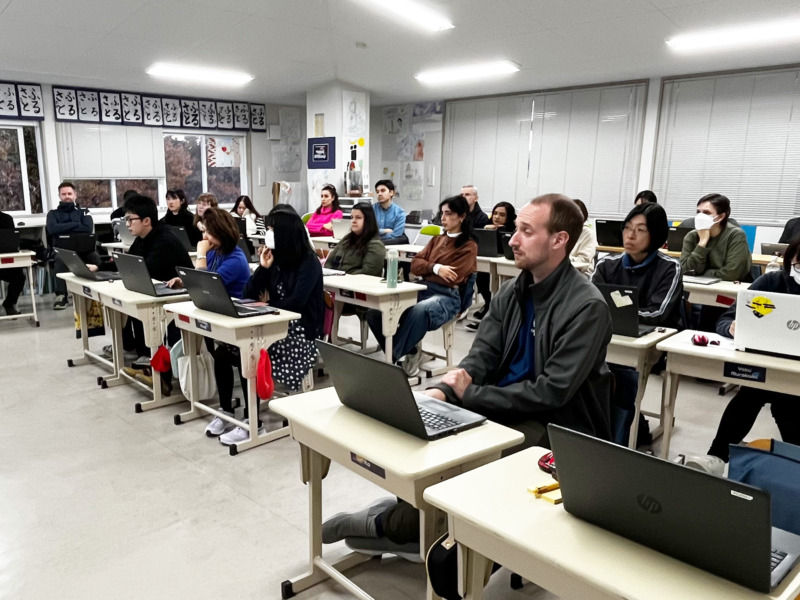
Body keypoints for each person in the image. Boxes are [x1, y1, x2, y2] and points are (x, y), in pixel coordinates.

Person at [324, 194, 613, 560]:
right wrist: (445, 390)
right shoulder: (512, 291)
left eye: (525, 230)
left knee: (461, 487)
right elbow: (482, 354)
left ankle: (386, 524)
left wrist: (471, 395)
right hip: (500, 407)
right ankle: (408, 514)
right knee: (418, 439)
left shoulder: (586, 308)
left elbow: (551, 393)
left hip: (553, 428)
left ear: (559, 241)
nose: (512, 239)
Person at [208, 209, 323, 445]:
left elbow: (296, 305)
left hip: (299, 334)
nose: (267, 234)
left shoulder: (309, 263)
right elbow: (247, 293)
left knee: (248, 355)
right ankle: (227, 410)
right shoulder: (276, 258)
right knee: (223, 352)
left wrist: (268, 306)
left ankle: (253, 423)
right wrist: (263, 267)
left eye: (270, 229)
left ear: (285, 234)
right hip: (272, 325)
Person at [686, 236, 800, 476]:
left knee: (780, 403)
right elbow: (726, 319)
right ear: (790, 261)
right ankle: (716, 458)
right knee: (754, 391)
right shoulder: (772, 282)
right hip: (766, 367)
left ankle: (717, 456)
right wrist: (733, 328)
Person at [593, 202, 683, 446]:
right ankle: (613, 428)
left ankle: (621, 440)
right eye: (627, 228)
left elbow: (659, 314)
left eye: (640, 230)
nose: (630, 235)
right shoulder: (606, 264)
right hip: (610, 337)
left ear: (655, 235)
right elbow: (590, 304)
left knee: (622, 377)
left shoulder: (669, 268)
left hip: (654, 344)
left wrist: (618, 315)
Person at [367, 195, 477, 377]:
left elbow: (452, 278)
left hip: (448, 296)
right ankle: (409, 351)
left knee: (419, 311)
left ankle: (391, 358)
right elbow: (415, 264)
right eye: (442, 213)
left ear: (462, 217)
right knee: (376, 311)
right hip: (423, 288)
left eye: (448, 213)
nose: (443, 218)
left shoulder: (469, 245)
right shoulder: (437, 240)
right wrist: (436, 267)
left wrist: (428, 270)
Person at [110, 194, 193, 391]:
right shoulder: (143, 238)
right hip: (159, 294)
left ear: (146, 221)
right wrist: (98, 267)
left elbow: (144, 270)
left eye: (131, 219)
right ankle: (148, 364)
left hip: (178, 298)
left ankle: (160, 377)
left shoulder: (164, 240)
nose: (127, 224)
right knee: (135, 311)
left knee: (143, 314)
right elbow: (130, 262)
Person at [681, 193, 751, 330]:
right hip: (700, 292)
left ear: (720, 216)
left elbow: (732, 273)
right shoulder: (692, 236)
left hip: (730, 294)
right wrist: (702, 243)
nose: (700, 216)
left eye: (706, 212)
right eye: (698, 212)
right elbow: (685, 270)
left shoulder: (736, 235)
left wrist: (702, 273)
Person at [168, 207, 250, 297]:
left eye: (209, 232)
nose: (204, 237)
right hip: (213, 305)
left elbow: (204, 288)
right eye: (204, 231)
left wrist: (201, 254)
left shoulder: (236, 260)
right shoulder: (214, 251)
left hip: (229, 308)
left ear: (222, 233)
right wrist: (185, 282)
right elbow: (200, 281)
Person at [47, 181, 100, 310]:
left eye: (69, 193)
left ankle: (99, 291)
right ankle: (61, 296)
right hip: (63, 250)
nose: (67, 196)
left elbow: (87, 228)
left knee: (96, 258)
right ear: (59, 196)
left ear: (75, 195)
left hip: (84, 249)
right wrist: (76, 224)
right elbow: (53, 229)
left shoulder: (84, 211)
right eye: (63, 194)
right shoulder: (52, 214)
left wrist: (63, 228)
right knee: (59, 259)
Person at [466, 201, 517, 330]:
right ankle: (489, 305)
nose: (496, 217)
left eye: (502, 215)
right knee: (480, 276)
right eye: (495, 213)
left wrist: (500, 230)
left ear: (509, 217)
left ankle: (494, 313)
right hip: (490, 262)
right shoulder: (487, 227)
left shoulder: (514, 231)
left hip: (509, 267)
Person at [325, 202, 385, 276]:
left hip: (355, 284)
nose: (353, 221)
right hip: (336, 282)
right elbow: (329, 262)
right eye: (352, 217)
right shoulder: (347, 239)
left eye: (358, 217)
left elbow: (368, 272)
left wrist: (343, 277)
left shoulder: (376, 245)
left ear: (368, 220)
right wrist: (332, 274)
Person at [0, 209, 25, 315]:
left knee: (19, 276)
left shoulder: (6, 219)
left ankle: (9, 304)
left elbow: (11, 240)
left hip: (5, 259)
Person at [373, 179, 408, 245]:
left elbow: (396, 235)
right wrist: (384, 231)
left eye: (383, 191)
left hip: (392, 245)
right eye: (377, 192)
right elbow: (367, 231)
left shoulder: (400, 212)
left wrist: (378, 235)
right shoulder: (371, 210)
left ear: (391, 193)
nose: (379, 194)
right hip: (373, 245)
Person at [568, 199, 597, 277]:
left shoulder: (588, 233)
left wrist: (562, 259)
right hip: (564, 270)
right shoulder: (563, 231)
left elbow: (583, 261)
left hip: (581, 273)